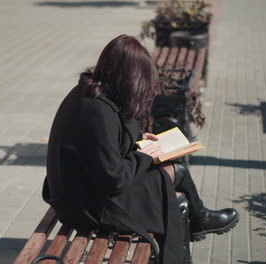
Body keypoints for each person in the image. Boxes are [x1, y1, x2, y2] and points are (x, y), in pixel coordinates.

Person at [42, 34, 238, 264]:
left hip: (89, 190)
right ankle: (184, 249)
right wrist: (144, 154)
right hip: (87, 205)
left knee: (176, 171)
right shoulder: (97, 112)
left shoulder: (92, 94)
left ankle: (201, 220)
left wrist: (138, 141)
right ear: (129, 80)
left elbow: (103, 149)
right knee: (176, 200)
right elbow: (113, 179)